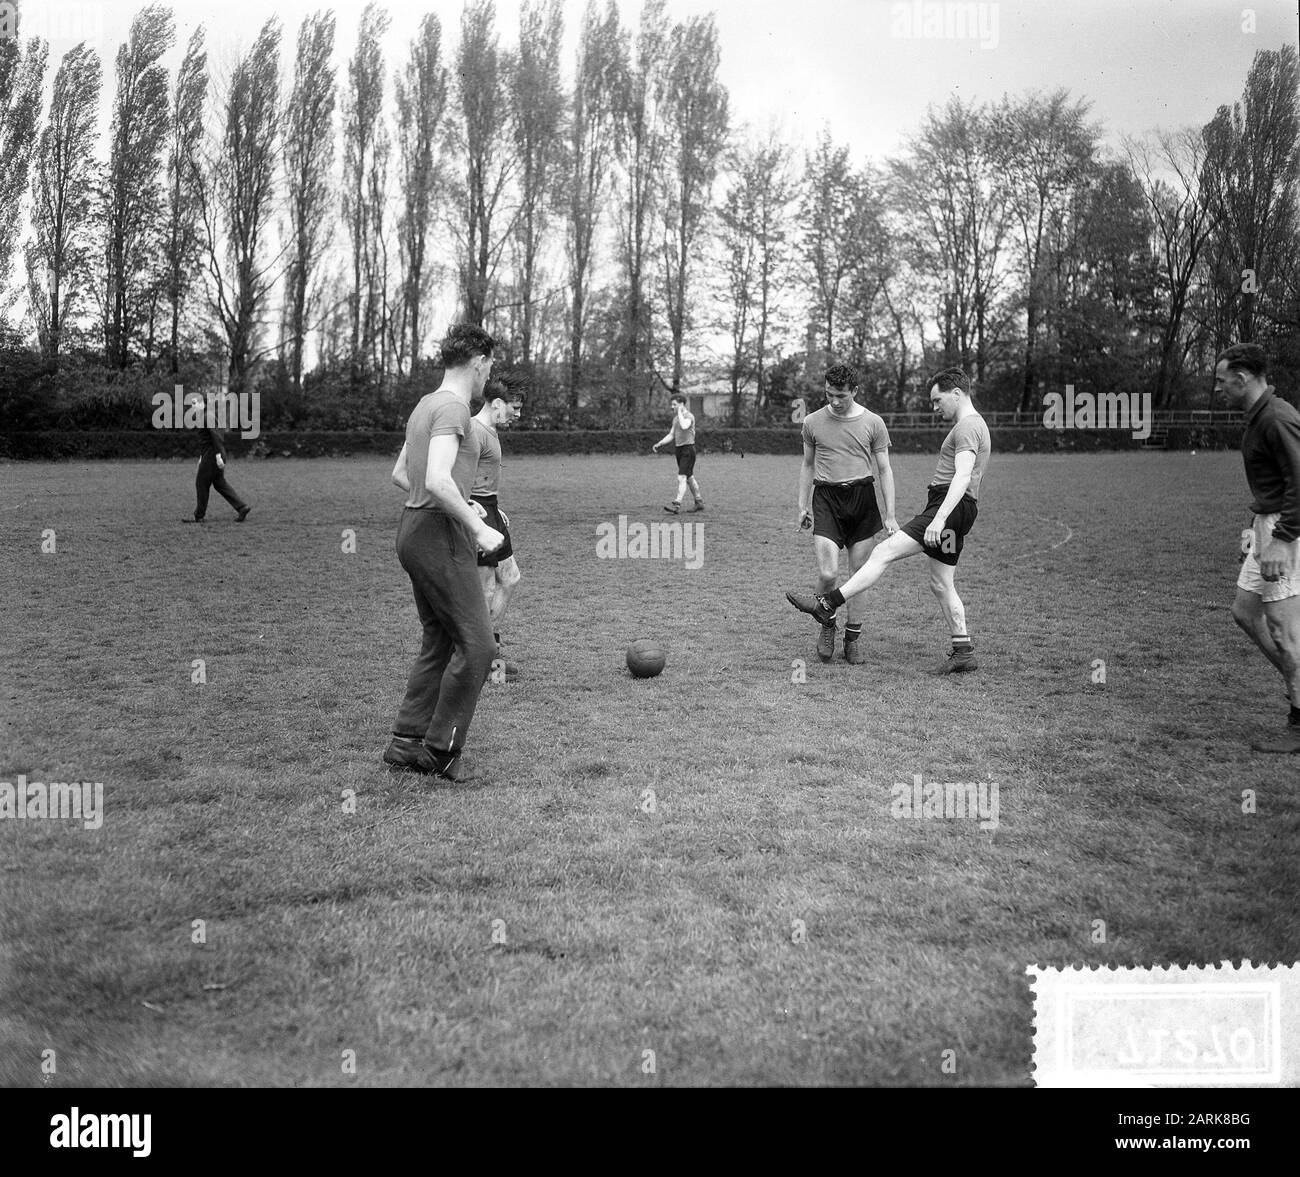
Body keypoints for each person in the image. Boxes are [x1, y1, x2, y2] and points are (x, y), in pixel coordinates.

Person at [785, 366, 990, 674]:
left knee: (881, 554)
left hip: (948, 508)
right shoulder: (976, 425)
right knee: (941, 582)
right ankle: (963, 650)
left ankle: (827, 604)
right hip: (961, 510)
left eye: (938, 401)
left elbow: (962, 476)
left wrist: (939, 519)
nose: (935, 408)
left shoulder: (966, 428)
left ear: (957, 394)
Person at [384, 324, 505, 782]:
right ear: (478, 362)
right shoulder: (455, 408)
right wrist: (477, 525)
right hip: (438, 533)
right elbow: (433, 480)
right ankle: (440, 751)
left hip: (414, 531)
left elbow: (402, 474)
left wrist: (461, 497)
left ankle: (406, 741)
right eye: (488, 366)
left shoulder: (426, 406)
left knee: (439, 639)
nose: (487, 374)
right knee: (478, 646)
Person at [1221, 343, 1300, 754]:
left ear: (1243, 378)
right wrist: (1255, 529)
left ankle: (1299, 721)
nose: (1219, 389)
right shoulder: (1258, 418)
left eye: (1222, 381)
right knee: (1245, 613)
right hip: (1268, 526)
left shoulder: (1277, 417)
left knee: (1286, 635)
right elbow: (1273, 484)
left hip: (1285, 532)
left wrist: (1284, 539)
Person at [795, 362, 897, 663]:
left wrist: (890, 514)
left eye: (841, 395)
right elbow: (808, 465)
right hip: (826, 498)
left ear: (854, 390)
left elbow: (884, 469)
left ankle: (852, 639)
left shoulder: (874, 423)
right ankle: (827, 624)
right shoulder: (812, 422)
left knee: (859, 575)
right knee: (828, 573)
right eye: (829, 394)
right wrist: (802, 504)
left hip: (861, 498)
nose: (835, 401)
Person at [470, 376, 525, 682]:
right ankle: (482, 660)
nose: (518, 414)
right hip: (476, 514)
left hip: (489, 509)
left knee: (510, 578)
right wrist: (470, 506)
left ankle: (490, 649)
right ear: (498, 404)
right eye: (515, 408)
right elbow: (450, 473)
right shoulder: (473, 431)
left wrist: (494, 507)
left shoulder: (490, 430)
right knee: (485, 589)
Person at [186, 392, 250, 523]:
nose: (192, 406)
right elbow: (206, 440)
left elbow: (216, 437)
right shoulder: (204, 416)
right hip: (210, 454)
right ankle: (242, 507)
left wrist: (217, 456)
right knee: (219, 483)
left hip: (213, 455)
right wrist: (201, 457)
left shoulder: (206, 416)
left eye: (194, 403)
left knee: (201, 483)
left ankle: (199, 515)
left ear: (201, 404)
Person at [652, 394, 704, 513]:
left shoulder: (689, 416)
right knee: (689, 478)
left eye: (674, 404)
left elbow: (685, 426)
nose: (672, 407)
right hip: (679, 450)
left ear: (681, 404)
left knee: (681, 477)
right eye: (672, 404)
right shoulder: (675, 419)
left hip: (688, 450)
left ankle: (677, 503)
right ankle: (699, 502)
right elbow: (671, 435)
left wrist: (680, 412)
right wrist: (660, 443)